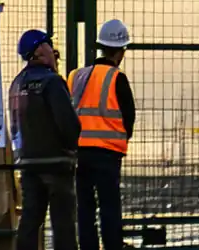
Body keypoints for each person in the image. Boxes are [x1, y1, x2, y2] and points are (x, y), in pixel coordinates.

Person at [8, 29, 81, 250]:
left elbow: (14, 125)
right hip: (56, 163)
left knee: (30, 222)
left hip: (28, 163)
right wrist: (70, 149)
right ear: (40, 50)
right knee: (63, 225)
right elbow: (68, 123)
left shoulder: (17, 84)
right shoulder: (52, 82)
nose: (54, 52)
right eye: (50, 46)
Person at [69, 19, 136, 250]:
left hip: (78, 153)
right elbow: (129, 118)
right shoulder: (117, 78)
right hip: (107, 153)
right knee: (109, 206)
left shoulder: (76, 76)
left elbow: (68, 111)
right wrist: (120, 138)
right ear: (121, 51)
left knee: (84, 207)